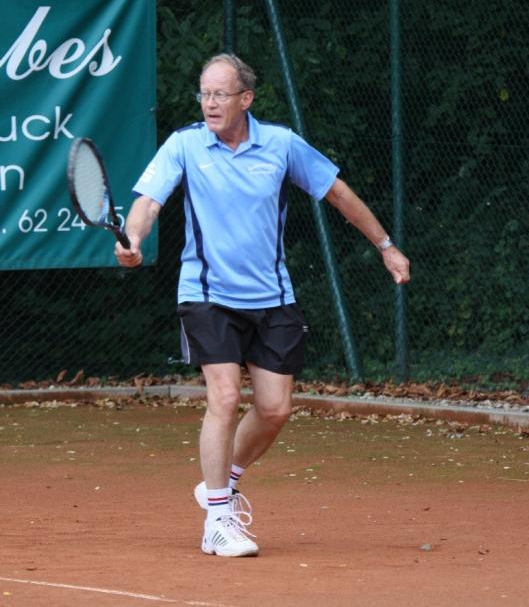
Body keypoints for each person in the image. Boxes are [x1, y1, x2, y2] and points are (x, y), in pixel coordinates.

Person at [115, 52, 410, 558]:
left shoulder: (280, 144)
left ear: (246, 98)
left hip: (273, 298)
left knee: (274, 409)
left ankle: (220, 484)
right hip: (207, 294)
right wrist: (134, 237)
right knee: (225, 396)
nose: (210, 103)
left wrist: (386, 246)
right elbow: (148, 202)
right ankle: (217, 521)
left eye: (220, 94)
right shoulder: (185, 144)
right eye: (204, 93)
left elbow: (338, 194)